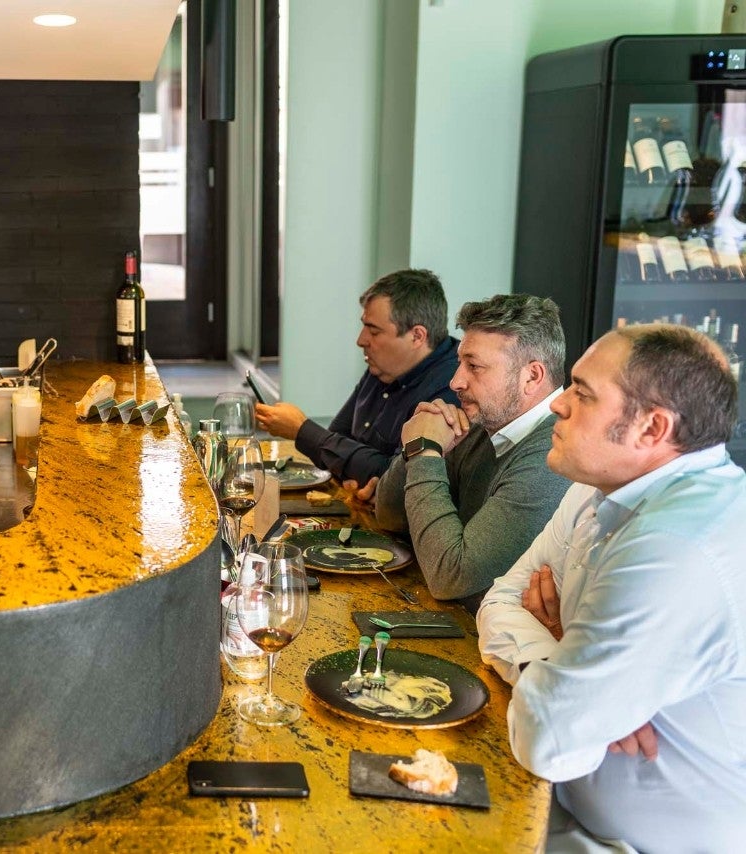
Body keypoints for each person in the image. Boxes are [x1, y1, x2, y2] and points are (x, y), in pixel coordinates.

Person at [477, 324, 746, 852]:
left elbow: (549, 740)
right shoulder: (597, 489)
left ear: (651, 428)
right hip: (561, 807)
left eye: (582, 392)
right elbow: (501, 599)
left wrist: (568, 690)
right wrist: (552, 662)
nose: (556, 405)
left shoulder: (675, 546)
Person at [375, 294, 571, 613]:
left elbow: (450, 577)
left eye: (474, 366)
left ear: (532, 377)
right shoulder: (483, 422)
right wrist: (417, 446)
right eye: (459, 363)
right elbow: (389, 516)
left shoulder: (552, 456)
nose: (455, 381)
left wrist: (426, 453)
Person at [254, 269, 460, 497]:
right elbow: (334, 443)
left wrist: (301, 429)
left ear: (417, 336)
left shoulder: (451, 388)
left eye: (374, 331)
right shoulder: (383, 367)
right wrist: (352, 467)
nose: (361, 340)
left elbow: (394, 478)